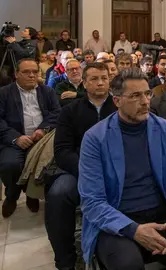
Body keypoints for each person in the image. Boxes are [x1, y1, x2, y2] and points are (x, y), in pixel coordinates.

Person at [78, 67, 166, 269]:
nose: (145, 102)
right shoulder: (95, 138)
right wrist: (134, 230)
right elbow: (92, 201)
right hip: (118, 221)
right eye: (135, 96)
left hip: (161, 216)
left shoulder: (164, 129)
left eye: (147, 94)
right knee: (128, 265)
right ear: (117, 101)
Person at [46, 62, 117, 270]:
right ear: (84, 84)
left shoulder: (120, 107)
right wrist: (88, 171)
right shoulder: (70, 111)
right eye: (94, 79)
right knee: (59, 194)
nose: (100, 83)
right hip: (78, 169)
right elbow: (62, 151)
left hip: (115, 170)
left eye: (104, 78)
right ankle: (65, 259)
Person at [0, 58, 61, 218]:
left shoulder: (47, 91)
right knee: (9, 165)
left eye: (35, 72)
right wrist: (16, 138)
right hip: (14, 141)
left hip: (41, 140)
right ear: (16, 75)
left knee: (44, 164)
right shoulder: (4, 93)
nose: (32, 75)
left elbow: (56, 113)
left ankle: (31, 194)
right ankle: (12, 195)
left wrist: (43, 129)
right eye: (26, 72)